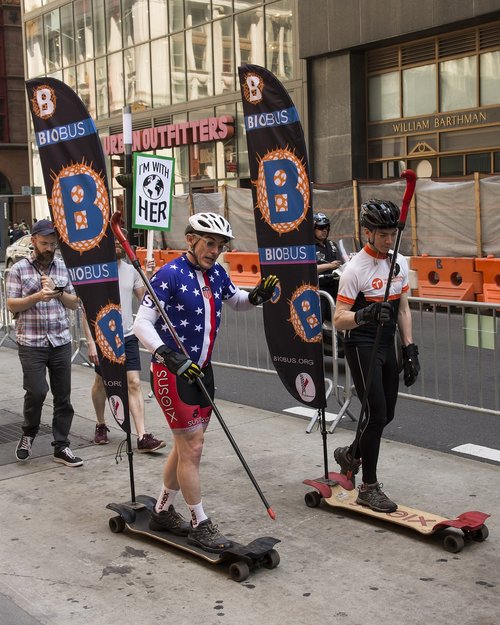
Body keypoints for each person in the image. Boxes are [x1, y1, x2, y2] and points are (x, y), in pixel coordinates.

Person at [133, 212, 278, 553]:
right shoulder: (169, 275)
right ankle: (200, 523)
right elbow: (141, 324)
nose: (215, 251)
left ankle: (163, 510)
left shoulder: (217, 274)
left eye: (220, 246)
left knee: (186, 446)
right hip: (173, 372)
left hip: (202, 370)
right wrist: (168, 355)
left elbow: (236, 302)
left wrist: (256, 296)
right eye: (209, 243)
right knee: (193, 447)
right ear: (190, 240)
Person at [333, 199, 420, 512]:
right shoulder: (356, 269)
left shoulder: (399, 263)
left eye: (392, 233)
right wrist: (365, 314)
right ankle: (369, 487)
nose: (388, 239)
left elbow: (404, 308)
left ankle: (351, 453)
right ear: (367, 232)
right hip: (362, 343)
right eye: (382, 234)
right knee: (377, 413)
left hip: (387, 343)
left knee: (387, 414)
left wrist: (410, 348)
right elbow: (338, 317)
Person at [6, 219, 83, 467]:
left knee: (63, 396)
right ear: (34, 242)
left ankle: (61, 446)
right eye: (44, 243)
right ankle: (29, 433)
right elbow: (11, 304)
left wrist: (58, 293)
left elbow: (74, 302)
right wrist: (39, 295)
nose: (49, 248)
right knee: (37, 391)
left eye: (52, 244)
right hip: (31, 342)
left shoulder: (62, 267)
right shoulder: (19, 269)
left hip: (60, 340)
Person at [82, 231, 166, 452]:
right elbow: (86, 310)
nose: (118, 245)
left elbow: (145, 300)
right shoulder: (97, 272)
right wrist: (91, 341)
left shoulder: (130, 271)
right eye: (114, 241)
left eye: (121, 241)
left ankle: (142, 435)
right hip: (104, 338)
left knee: (134, 383)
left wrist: (149, 275)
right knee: (101, 383)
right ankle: (101, 424)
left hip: (127, 336)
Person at [314, 212, 343, 323]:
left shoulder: (332, 245)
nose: (324, 230)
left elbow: (341, 262)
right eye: (321, 227)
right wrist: (329, 266)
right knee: (319, 317)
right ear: (313, 229)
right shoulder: (308, 247)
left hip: (336, 286)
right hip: (320, 289)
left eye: (326, 227)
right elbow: (308, 269)